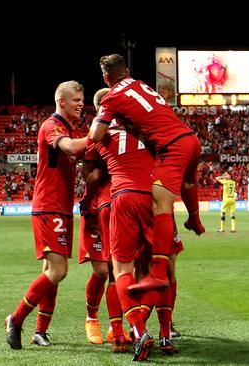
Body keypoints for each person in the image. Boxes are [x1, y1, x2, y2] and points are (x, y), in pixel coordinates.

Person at [90, 54, 204, 293]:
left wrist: (104, 117)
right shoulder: (141, 84)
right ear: (127, 70)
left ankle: (159, 272)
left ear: (105, 77)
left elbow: (95, 136)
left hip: (171, 146)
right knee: (189, 183)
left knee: (159, 201)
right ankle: (195, 219)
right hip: (191, 140)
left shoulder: (111, 97)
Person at [4, 81, 88, 350]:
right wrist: (99, 134)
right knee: (58, 270)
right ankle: (16, 319)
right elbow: (73, 148)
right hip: (49, 206)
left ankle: (40, 331)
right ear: (61, 101)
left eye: (82, 99)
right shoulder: (51, 126)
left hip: (61, 207)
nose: (80, 103)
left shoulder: (69, 128)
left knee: (51, 271)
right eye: (75, 99)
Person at [89, 88, 165, 360]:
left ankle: (133, 330)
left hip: (118, 200)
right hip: (151, 201)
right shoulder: (146, 133)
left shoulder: (100, 137)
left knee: (119, 271)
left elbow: (90, 172)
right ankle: (160, 329)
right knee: (151, 270)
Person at [78, 143, 131, 352]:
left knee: (116, 272)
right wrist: (88, 199)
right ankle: (91, 319)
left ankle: (114, 327)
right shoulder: (99, 138)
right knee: (102, 271)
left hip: (116, 205)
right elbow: (93, 174)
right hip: (96, 209)